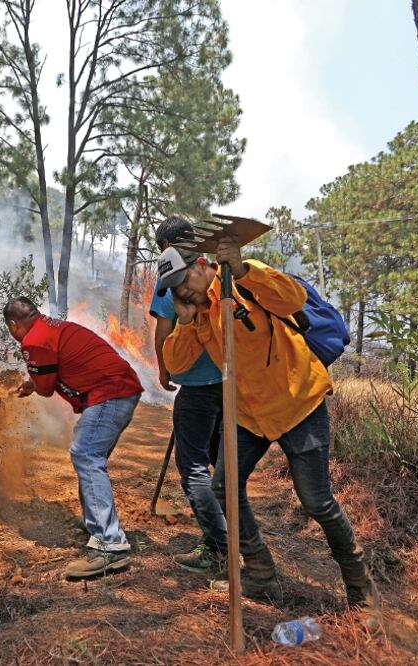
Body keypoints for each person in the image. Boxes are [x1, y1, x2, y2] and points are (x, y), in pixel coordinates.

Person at [157, 238, 378, 608]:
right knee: (225, 487)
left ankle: (361, 588)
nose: (180, 290)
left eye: (182, 280)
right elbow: (177, 365)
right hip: (249, 414)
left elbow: (291, 299)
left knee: (317, 502)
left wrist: (242, 270)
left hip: (298, 402)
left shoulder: (244, 281)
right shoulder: (201, 314)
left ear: (200, 265)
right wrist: (184, 320)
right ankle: (261, 575)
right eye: (173, 288)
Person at [5, 297, 143, 579]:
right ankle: (97, 524)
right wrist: (33, 383)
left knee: (85, 454)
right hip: (119, 388)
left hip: (110, 392)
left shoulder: (33, 340)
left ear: (13, 325)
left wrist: (35, 385)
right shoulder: (47, 326)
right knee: (90, 455)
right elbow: (50, 375)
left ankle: (110, 545)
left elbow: (45, 389)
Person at [149, 215, 228, 575]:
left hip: (196, 385)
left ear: (166, 246)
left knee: (193, 464)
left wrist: (165, 370)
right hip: (231, 381)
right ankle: (231, 534)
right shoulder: (216, 268)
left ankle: (219, 544)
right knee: (220, 460)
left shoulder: (170, 277)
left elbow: (164, 329)